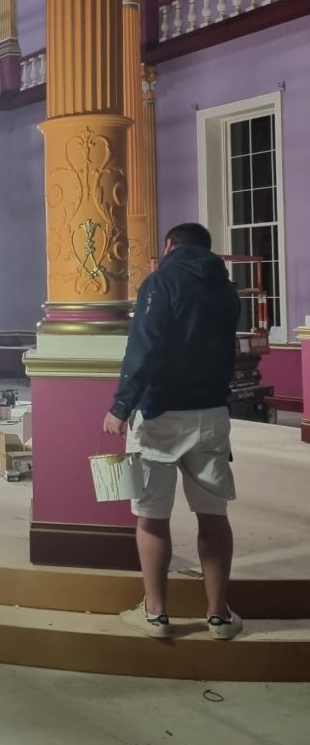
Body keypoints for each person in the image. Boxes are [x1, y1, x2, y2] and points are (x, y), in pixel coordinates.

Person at [102, 223, 242, 640]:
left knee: (152, 517)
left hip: (159, 414)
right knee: (213, 517)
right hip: (211, 413)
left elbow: (144, 346)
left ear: (169, 246)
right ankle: (219, 617)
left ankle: (156, 615)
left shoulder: (160, 283)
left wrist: (120, 406)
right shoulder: (226, 288)